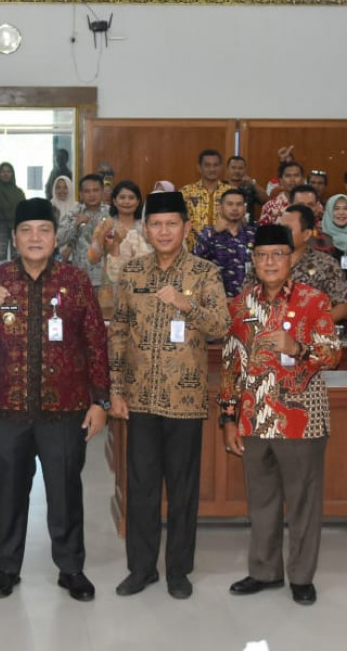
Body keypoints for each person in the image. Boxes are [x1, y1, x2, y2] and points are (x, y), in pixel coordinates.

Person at [0, 198, 110, 603]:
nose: (35, 238)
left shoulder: (75, 281)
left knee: (65, 492)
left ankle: (72, 568)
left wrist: (100, 401)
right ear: (14, 237)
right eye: (26, 231)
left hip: (65, 410)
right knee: (9, 491)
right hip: (8, 410)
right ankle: (6, 567)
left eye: (43, 230)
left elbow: (96, 341)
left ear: (55, 236)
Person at [108, 191, 231, 600]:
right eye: (156, 224)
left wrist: (185, 304)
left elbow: (220, 327)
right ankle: (141, 569)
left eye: (171, 224)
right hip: (139, 398)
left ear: (186, 228)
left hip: (186, 399)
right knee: (140, 488)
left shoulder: (204, 272)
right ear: (146, 229)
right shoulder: (131, 273)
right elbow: (120, 331)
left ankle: (179, 570)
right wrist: (116, 388)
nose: (163, 231)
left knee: (182, 489)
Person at [220, 224, 339, 607]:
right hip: (254, 418)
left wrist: (298, 347)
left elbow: (332, 354)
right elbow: (231, 365)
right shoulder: (240, 304)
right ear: (252, 260)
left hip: (302, 419)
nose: (269, 262)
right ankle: (264, 571)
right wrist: (228, 417)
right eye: (262, 255)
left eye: (277, 254)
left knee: (303, 502)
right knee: (262, 500)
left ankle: (302, 577)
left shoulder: (313, 300)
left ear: (291, 258)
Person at [244, 206, 347, 324]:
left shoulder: (326, 264)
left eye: (287, 229)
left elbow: (344, 306)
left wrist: (314, 326)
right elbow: (245, 299)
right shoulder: (265, 261)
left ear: (306, 234)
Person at [193, 187, 256, 299]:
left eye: (239, 204)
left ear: (245, 209)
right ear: (220, 208)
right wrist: (213, 232)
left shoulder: (253, 234)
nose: (235, 208)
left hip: (248, 299)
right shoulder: (208, 232)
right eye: (230, 204)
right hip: (216, 299)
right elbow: (196, 260)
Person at [89, 180, 151, 289]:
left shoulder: (146, 227)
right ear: (114, 201)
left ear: (138, 202)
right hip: (112, 285)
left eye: (131, 198)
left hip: (141, 285)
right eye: (122, 197)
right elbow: (92, 258)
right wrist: (102, 235)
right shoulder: (106, 225)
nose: (126, 202)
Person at [56, 174, 110, 288]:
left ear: (102, 192)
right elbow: (58, 240)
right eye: (87, 191)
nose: (92, 194)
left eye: (95, 190)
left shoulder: (111, 213)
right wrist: (75, 225)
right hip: (81, 277)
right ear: (81, 194)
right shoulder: (73, 214)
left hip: (106, 277)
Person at [180, 149, 231, 251]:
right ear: (199, 168)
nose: (212, 169)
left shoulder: (231, 192)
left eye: (215, 165)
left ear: (221, 167)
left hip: (224, 250)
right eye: (207, 165)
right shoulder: (186, 192)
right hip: (193, 250)